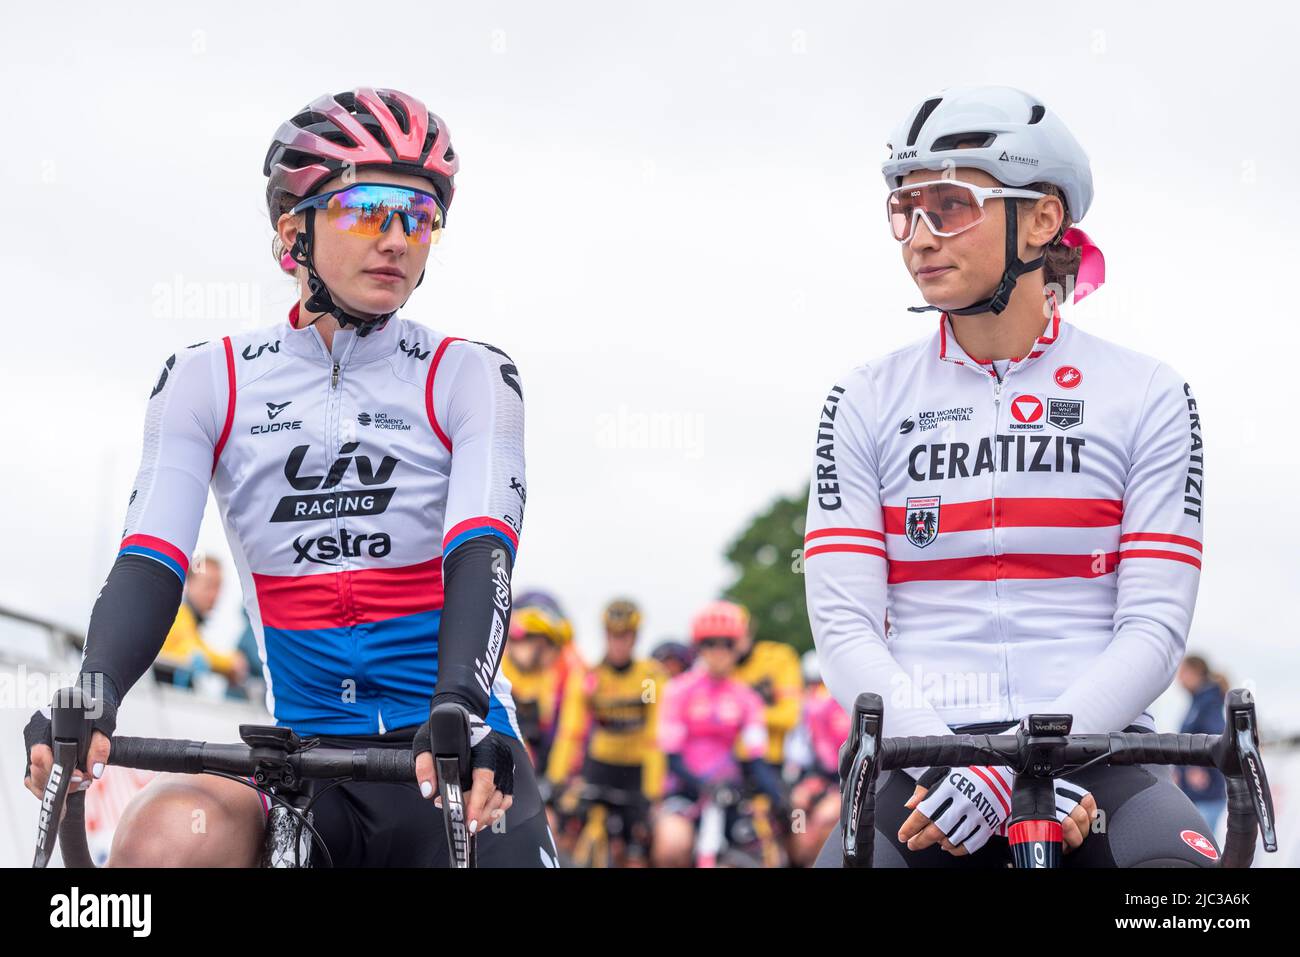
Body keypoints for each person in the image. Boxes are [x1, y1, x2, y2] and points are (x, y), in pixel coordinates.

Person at [24, 87, 556, 867]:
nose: (397, 239)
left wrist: (460, 706)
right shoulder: (207, 380)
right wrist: (93, 691)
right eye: (369, 210)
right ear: (292, 230)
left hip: (457, 752)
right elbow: (151, 559)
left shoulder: (469, 375)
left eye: (420, 216)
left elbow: (483, 553)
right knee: (164, 833)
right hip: (306, 764)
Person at [804, 85, 1215, 868]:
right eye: (905, 209)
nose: (919, 237)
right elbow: (845, 630)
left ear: (1042, 218)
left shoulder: (1148, 392)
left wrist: (1032, 762)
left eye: (950, 205)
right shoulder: (862, 397)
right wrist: (959, 771)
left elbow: (1155, 626)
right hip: (922, 761)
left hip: (1101, 750)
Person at [651, 600, 786, 867]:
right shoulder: (677, 690)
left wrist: (781, 798)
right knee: (672, 844)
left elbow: (757, 758)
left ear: (738, 647)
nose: (719, 652)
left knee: (772, 847)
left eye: (727, 644)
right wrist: (704, 785)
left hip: (729, 793)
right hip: (685, 790)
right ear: (699, 647)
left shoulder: (746, 697)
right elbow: (672, 758)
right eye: (710, 643)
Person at [546, 598, 667, 866]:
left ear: (635, 637)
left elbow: (653, 736)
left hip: (636, 771)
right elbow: (571, 731)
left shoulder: (648, 678)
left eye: (625, 636)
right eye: (613, 635)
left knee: (636, 852)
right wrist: (557, 778)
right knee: (566, 826)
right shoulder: (590, 676)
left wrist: (652, 791)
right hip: (599, 767)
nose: (619, 642)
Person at [500, 590, 574, 774]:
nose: (553, 656)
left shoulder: (550, 678)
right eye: (550, 646)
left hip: (532, 770)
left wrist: (555, 780)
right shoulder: (498, 670)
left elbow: (565, 733)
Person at [786, 651, 848, 867]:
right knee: (798, 806)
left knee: (824, 818)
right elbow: (800, 756)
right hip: (820, 777)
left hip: (846, 783)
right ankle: (800, 857)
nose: (817, 690)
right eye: (812, 683)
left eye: (821, 684)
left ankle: (821, 860)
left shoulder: (846, 707)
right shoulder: (806, 710)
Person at [153, 555, 249, 692]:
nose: (214, 595)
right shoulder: (178, 616)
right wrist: (231, 662)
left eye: (218, 587)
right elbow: (195, 652)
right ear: (188, 583)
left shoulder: (188, 620)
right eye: (209, 585)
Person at [729, 601, 804, 774]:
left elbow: (789, 716)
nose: (724, 648)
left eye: (732, 638)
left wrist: (743, 714)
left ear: (749, 631)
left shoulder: (778, 657)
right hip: (726, 765)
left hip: (770, 761)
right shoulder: (711, 671)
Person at [1173, 655, 1228, 834]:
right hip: (1194, 794)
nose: (1179, 678)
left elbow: (1215, 737)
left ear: (1195, 672)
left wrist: (1197, 766)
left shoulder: (1209, 701)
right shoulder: (1198, 702)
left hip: (1206, 793)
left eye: (1183, 672)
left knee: (1202, 843)